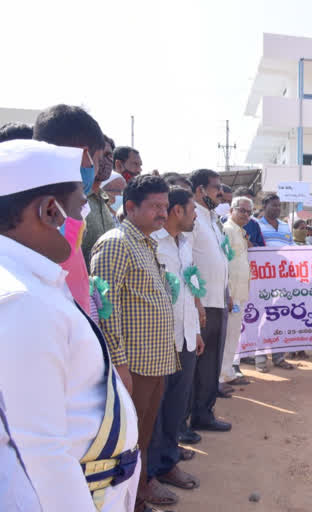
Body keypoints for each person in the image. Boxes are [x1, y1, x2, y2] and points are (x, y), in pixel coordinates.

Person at [0, 139, 139, 511]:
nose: (82, 220)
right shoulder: (20, 301)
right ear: (49, 210)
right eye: (79, 207)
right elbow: (39, 456)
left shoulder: (32, 279)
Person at [90, 175, 176, 511]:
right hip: (133, 366)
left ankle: (137, 495)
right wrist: (120, 365)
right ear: (130, 207)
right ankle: (125, 501)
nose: (162, 213)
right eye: (155, 206)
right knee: (127, 439)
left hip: (154, 362)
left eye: (165, 207)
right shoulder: (116, 242)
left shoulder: (145, 242)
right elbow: (104, 309)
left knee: (143, 435)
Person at [146, 186, 203, 507]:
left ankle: (168, 463)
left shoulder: (185, 242)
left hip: (185, 336)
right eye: (192, 209)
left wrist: (195, 328)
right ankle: (149, 474)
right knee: (154, 411)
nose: (195, 214)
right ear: (177, 211)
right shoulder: (152, 242)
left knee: (175, 408)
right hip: (159, 341)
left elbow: (188, 285)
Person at [33, 104, 105, 312]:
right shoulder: (59, 214)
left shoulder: (33, 206)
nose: (98, 168)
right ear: (85, 155)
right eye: (98, 160)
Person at [187, 168, 236, 429]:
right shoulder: (190, 218)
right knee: (195, 366)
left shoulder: (214, 220)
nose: (220, 192)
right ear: (200, 190)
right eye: (215, 187)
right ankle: (188, 420)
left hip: (219, 301)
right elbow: (186, 261)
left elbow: (221, 259)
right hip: (201, 304)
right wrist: (195, 300)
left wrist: (227, 290)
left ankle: (204, 414)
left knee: (212, 364)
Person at [253, 193, 295, 370]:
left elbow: (293, 249)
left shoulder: (285, 226)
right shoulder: (256, 225)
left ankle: (279, 356)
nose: (277, 208)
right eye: (274, 205)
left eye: (279, 205)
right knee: (260, 317)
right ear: (264, 205)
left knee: (279, 317)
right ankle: (260, 357)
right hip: (262, 280)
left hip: (282, 279)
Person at [219, 196, 255, 386]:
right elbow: (223, 264)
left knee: (233, 334)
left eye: (249, 212)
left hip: (239, 293)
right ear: (231, 210)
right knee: (226, 336)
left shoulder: (240, 232)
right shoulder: (227, 230)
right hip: (231, 293)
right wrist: (228, 293)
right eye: (242, 210)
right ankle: (221, 376)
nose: (246, 215)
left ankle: (227, 372)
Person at [82, 134, 117, 269]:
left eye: (109, 155)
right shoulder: (77, 202)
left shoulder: (105, 201)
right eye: (102, 155)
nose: (106, 161)